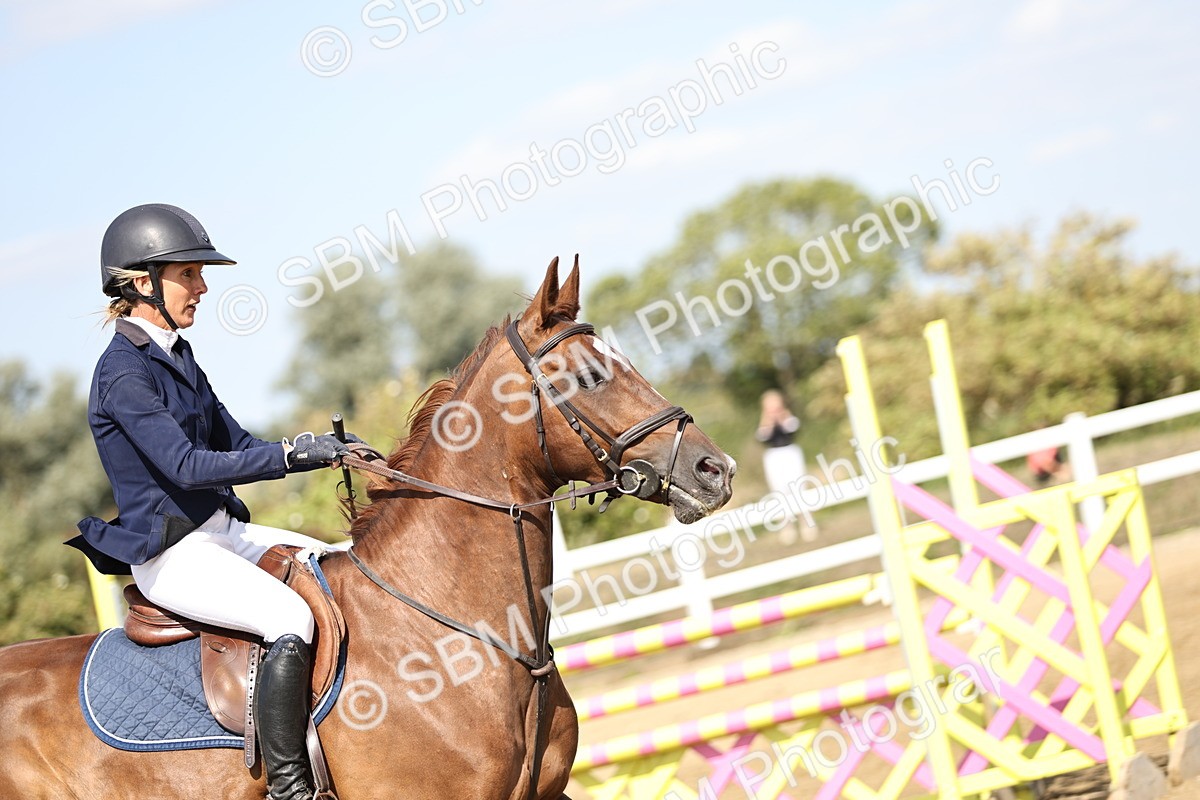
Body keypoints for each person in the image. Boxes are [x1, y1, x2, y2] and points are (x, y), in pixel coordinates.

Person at [68, 204, 357, 800]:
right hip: (174, 554)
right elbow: (187, 467)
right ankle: (290, 786)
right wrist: (288, 457)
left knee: (338, 567)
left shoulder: (176, 355)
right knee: (290, 618)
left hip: (223, 533)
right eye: (190, 274)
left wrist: (322, 448)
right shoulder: (122, 373)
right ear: (143, 283)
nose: (202, 287)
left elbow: (235, 442)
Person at [756, 389, 817, 544]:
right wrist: (768, 419)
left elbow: (793, 429)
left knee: (800, 488)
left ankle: (806, 523)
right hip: (774, 457)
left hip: (790, 453)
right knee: (779, 491)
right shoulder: (764, 422)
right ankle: (787, 527)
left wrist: (781, 416)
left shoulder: (788, 417)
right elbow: (762, 437)